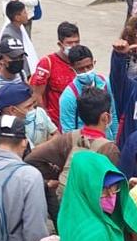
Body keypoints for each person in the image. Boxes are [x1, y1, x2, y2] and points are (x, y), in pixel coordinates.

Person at [26, 86, 120, 223]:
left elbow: (32, 158)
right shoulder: (110, 149)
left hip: (65, 208)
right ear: (106, 117)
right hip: (91, 216)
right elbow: (111, 194)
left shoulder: (68, 138)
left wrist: (59, 174)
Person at [60, 45, 118, 140]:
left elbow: (113, 114)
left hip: (107, 140)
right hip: (84, 144)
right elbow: (68, 131)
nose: (86, 71)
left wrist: (115, 140)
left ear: (94, 63)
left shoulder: (106, 83)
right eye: (81, 69)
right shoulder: (69, 96)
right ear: (72, 68)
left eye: (89, 66)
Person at [31, 22, 81, 127]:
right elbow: (36, 95)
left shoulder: (82, 62)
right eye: (69, 43)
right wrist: (48, 123)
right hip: (56, 124)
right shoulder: (47, 63)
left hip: (78, 122)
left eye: (77, 42)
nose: (74, 46)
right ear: (60, 44)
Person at [0, 82, 57, 149]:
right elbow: (31, 153)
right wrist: (52, 143)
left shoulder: (39, 112)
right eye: (28, 106)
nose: (32, 109)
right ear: (13, 110)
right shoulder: (4, 131)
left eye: (33, 104)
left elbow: (57, 136)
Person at [0, 0, 39, 73]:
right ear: (17, 17)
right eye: (24, 12)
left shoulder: (20, 28)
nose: (27, 15)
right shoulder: (9, 34)